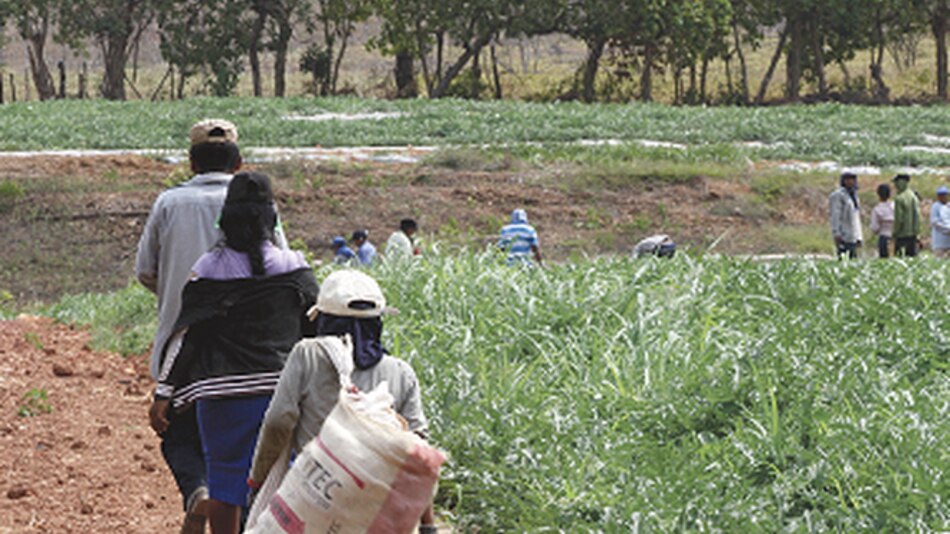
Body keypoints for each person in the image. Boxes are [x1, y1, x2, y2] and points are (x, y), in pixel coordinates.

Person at [137, 119, 286, 534]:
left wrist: (180, 298)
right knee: (245, 446)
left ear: (191, 162)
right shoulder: (259, 206)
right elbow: (282, 271)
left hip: (183, 344)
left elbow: (145, 271)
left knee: (179, 432)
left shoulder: (168, 203)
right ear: (239, 163)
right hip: (253, 350)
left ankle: (198, 487)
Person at [149, 172, 318, 534]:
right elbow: (316, 332)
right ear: (271, 219)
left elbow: (187, 337)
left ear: (226, 219)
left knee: (225, 482)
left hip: (221, 400)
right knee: (281, 481)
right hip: (282, 394)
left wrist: (164, 393)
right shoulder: (296, 267)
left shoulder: (208, 269)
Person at [247, 269, 435, 532]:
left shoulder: (307, 355)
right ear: (377, 324)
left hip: (317, 497)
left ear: (323, 321)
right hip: (376, 509)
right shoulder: (401, 373)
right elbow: (418, 452)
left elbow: (278, 422)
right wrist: (428, 525)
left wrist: (258, 479)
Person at [828, 172, 863, 259]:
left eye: (853, 179)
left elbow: (856, 217)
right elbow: (835, 215)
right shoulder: (838, 195)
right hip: (844, 235)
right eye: (848, 179)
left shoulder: (853, 195)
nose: (851, 182)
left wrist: (859, 236)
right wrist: (836, 233)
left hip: (853, 235)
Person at [892, 174, 922, 257]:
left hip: (902, 235)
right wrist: (917, 232)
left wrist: (895, 233)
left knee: (899, 260)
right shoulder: (913, 197)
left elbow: (899, 219)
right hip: (913, 235)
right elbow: (917, 216)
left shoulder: (899, 198)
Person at [869, 183, 895, 259]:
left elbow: (874, 228)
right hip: (895, 238)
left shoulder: (877, 209)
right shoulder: (895, 206)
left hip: (884, 237)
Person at [931, 185, 950, 258]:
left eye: (946, 195)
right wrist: (947, 229)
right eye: (942, 196)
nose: (945, 197)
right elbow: (935, 222)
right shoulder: (935, 207)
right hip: (939, 242)